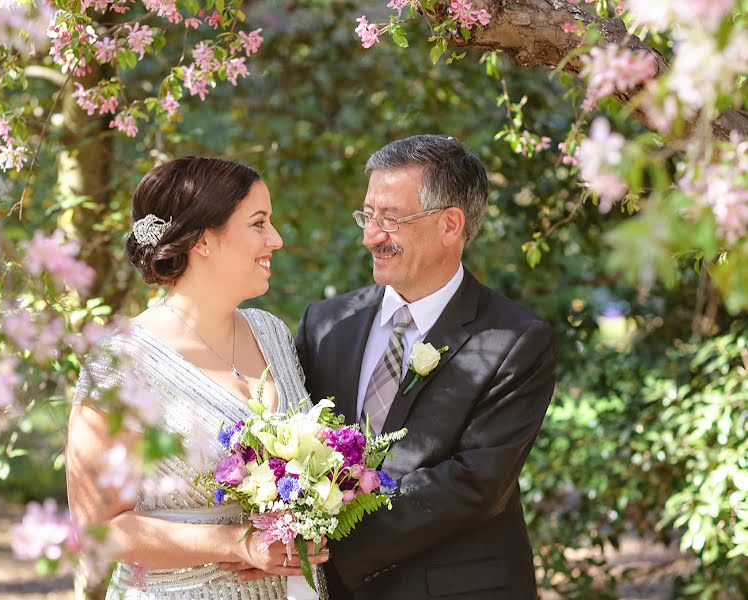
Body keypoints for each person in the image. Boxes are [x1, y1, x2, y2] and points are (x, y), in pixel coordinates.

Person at [295, 135, 557, 599]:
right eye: (368, 216)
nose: (371, 236)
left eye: (391, 219)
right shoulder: (325, 323)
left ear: (450, 224)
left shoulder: (515, 340)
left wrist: (322, 540)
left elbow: (475, 483)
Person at [65, 156, 328, 600]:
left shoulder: (272, 333)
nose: (276, 240)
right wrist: (235, 543)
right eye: (259, 223)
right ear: (204, 239)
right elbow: (96, 529)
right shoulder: (120, 361)